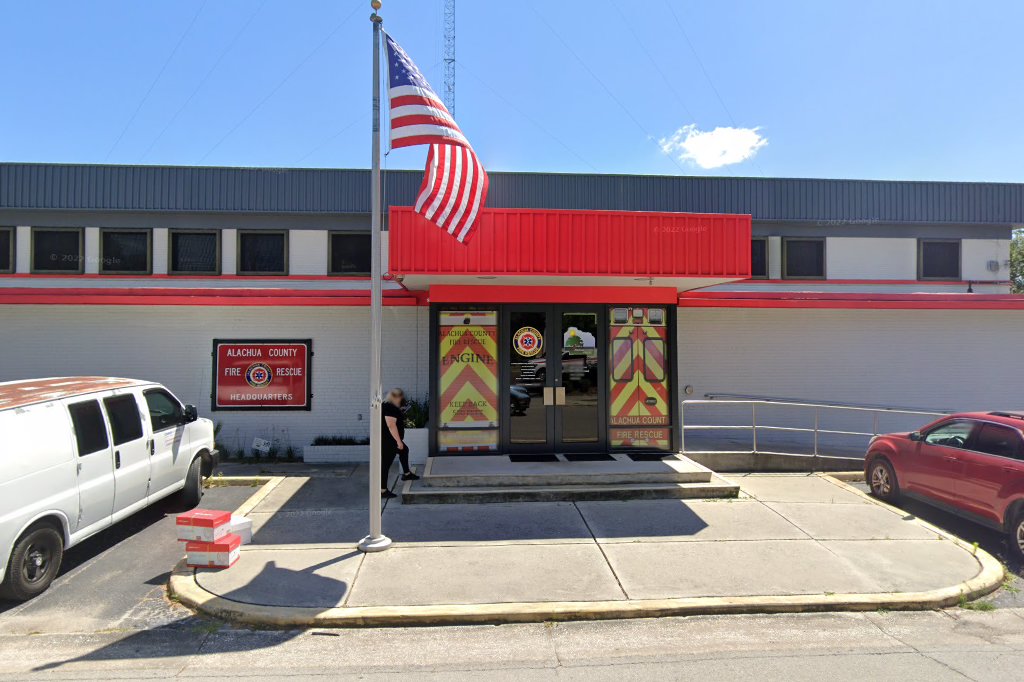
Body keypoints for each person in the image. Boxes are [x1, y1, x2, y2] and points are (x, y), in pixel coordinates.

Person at [380, 388, 419, 499]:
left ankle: (406, 474)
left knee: (404, 450)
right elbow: (391, 426)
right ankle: (382, 491)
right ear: (395, 397)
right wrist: (398, 441)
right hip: (389, 441)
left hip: (388, 439)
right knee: (385, 465)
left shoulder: (386, 405)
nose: (402, 399)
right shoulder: (390, 407)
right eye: (400, 397)